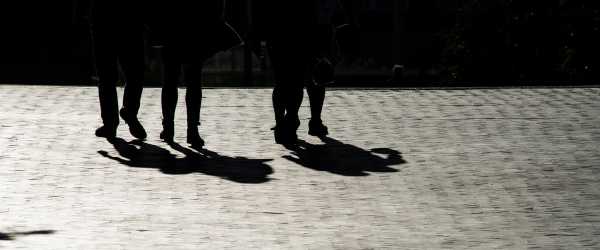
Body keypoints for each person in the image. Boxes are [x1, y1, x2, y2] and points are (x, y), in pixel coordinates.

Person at [254, 0, 357, 144]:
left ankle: (285, 122)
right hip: (309, 28)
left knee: (286, 79)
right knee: (311, 76)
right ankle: (304, 121)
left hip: (281, 29)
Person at [149, 0, 241, 148]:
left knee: (172, 79)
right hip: (195, 28)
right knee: (192, 80)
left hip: (174, 26)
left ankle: (169, 127)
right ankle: (191, 129)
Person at [90, 0, 147, 139]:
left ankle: (111, 123)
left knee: (107, 77)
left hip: (104, 18)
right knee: (134, 73)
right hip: (128, 19)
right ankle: (128, 113)